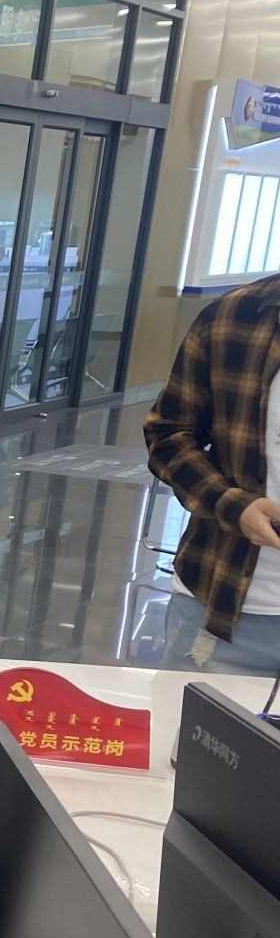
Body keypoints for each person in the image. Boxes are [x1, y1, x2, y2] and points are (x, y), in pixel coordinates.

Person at [145, 271, 280, 674]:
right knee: (190, 717)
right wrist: (233, 506)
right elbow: (168, 435)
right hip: (227, 612)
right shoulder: (234, 318)